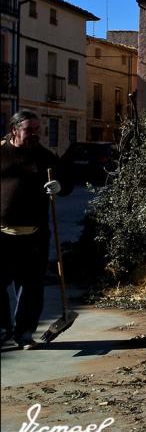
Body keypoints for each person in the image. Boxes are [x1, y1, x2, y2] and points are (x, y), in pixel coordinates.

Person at [1, 110, 72, 349]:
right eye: (28, 129)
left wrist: (59, 185)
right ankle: (3, 329)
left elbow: (68, 184)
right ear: (14, 130)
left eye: (37, 130)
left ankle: (24, 333)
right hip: (2, 234)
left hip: (34, 235)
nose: (34, 134)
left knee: (31, 288)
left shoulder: (45, 157)